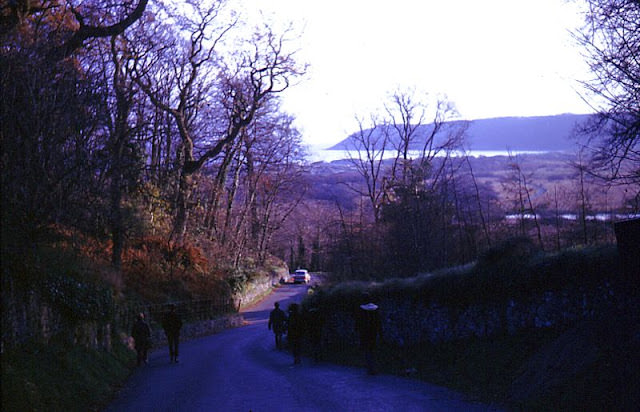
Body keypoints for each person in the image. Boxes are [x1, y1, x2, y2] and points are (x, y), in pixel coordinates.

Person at [356, 297, 382, 375]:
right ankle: (373, 367)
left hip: (365, 334)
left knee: (367, 350)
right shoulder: (375, 312)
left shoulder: (362, 312)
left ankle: (370, 368)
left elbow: (358, 323)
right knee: (372, 350)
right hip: (373, 333)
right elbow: (378, 323)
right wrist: (380, 333)